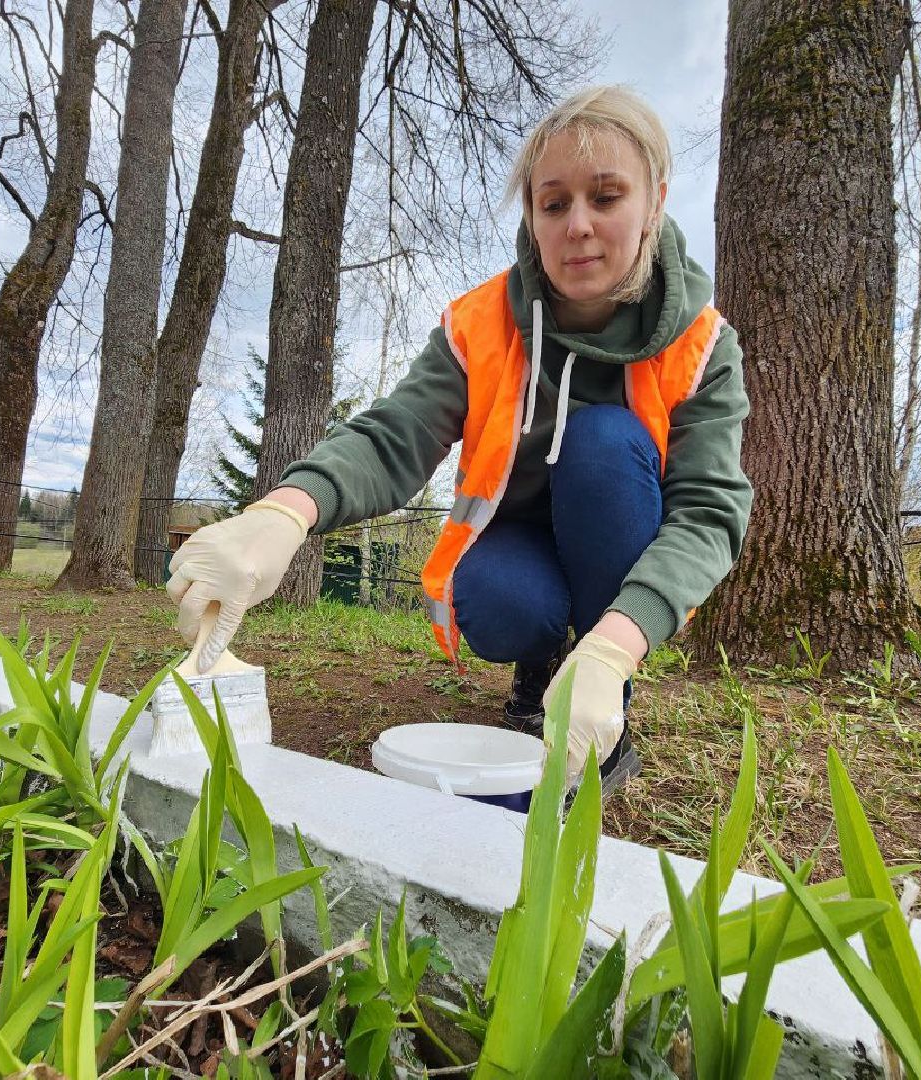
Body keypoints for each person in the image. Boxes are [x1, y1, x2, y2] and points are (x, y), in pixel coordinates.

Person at [167, 85, 752, 793]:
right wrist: (284, 512)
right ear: (533, 214)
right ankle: (540, 670)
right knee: (504, 604)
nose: (578, 226)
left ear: (654, 202)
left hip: (620, 526)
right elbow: (398, 432)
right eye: (554, 202)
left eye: (606, 196)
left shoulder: (702, 342)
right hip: (519, 541)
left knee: (603, 442)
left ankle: (604, 702)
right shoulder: (481, 323)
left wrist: (616, 647)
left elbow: (708, 512)